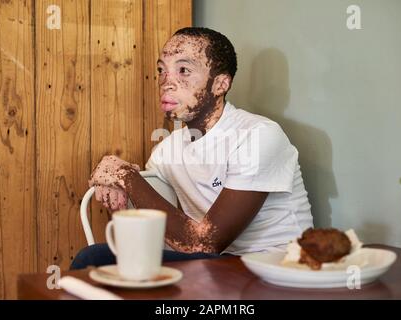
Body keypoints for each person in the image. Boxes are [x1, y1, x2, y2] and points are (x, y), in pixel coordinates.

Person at [71, 27, 313, 269]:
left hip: (276, 269)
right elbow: (149, 208)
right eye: (161, 70)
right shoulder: (167, 151)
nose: (166, 82)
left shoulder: (257, 135)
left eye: (183, 70)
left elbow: (205, 244)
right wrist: (116, 180)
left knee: (93, 258)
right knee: (101, 260)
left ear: (220, 84)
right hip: (214, 268)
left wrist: (126, 177)